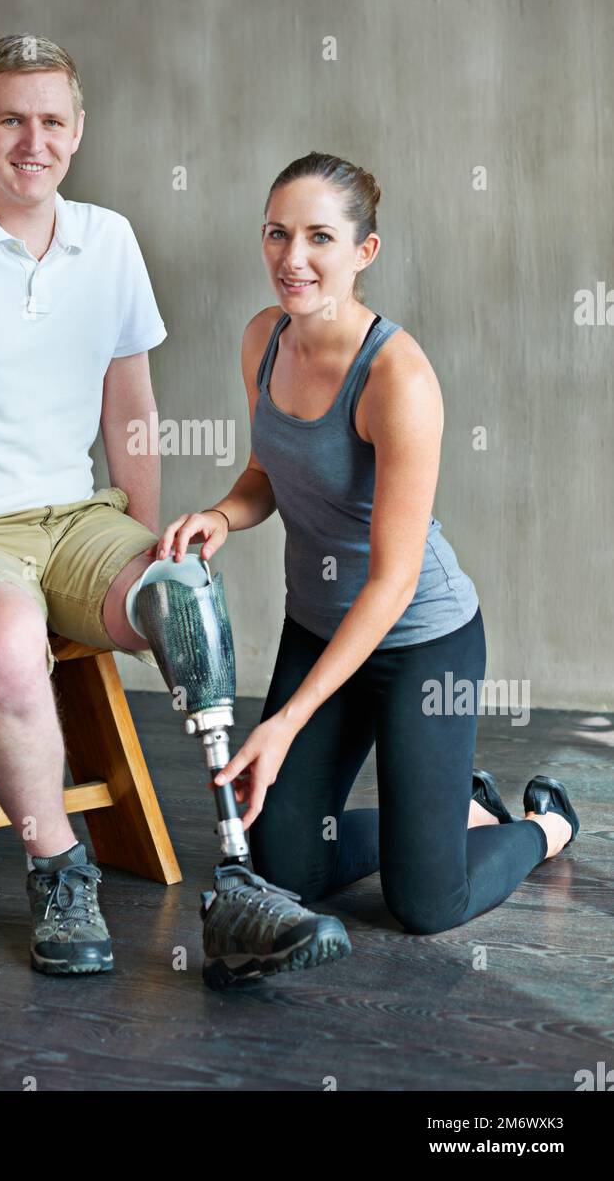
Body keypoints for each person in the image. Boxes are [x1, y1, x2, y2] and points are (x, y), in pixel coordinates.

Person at [0, 36, 349, 985]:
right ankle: (60, 870)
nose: (33, 141)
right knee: (5, 635)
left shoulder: (108, 241)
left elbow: (131, 411)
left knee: (183, 592)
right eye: (11, 119)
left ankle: (235, 878)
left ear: (78, 130)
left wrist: (142, 553)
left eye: (52, 121)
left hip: (74, 520)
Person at [155, 151, 579, 936]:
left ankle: (540, 828)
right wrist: (221, 514)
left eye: (320, 237)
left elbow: (392, 580)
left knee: (424, 904)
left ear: (364, 252)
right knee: (286, 864)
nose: (294, 258)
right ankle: (458, 815)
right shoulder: (263, 341)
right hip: (320, 625)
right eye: (278, 234)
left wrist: (282, 722)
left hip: (421, 638)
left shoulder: (398, 379)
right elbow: (267, 473)